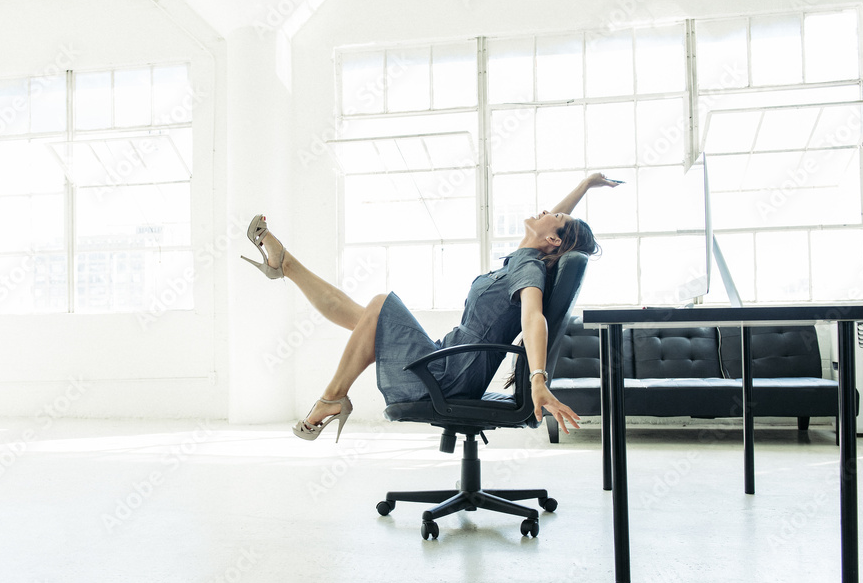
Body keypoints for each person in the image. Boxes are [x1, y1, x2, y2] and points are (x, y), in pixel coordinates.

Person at [242, 173, 619, 441]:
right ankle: (284, 265)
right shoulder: (525, 256)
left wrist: (539, 378)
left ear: (552, 238)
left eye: (554, 216)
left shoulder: (529, 267)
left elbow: (534, 317)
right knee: (366, 317)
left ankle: (332, 398)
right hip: (449, 357)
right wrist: (585, 184)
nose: (545, 210)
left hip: (453, 372)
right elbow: (553, 228)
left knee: (377, 306)